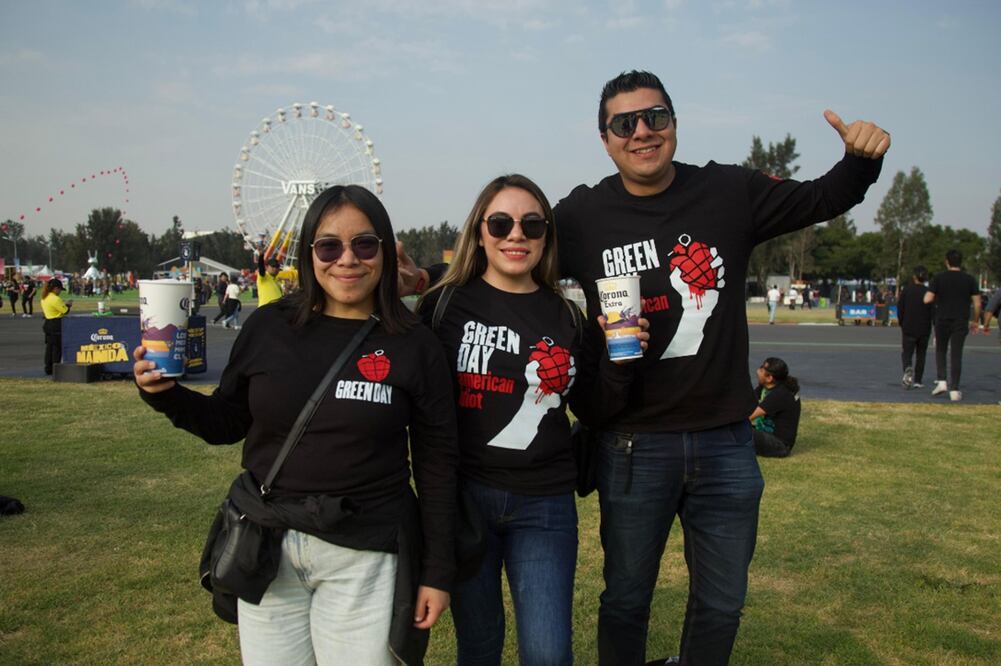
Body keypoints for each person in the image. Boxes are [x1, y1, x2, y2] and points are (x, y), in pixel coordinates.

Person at [402, 70, 889, 666]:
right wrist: (424, 279)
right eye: (623, 123)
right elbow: (508, 248)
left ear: (675, 124)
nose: (641, 132)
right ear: (604, 138)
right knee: (627, 598)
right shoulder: (581, 215)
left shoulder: (728, 192)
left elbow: (822, 196)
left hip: (726, 439)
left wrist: (860, 161)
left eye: (654, 117)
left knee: (721, 603)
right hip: (633, 444)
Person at [133, 185, 459, 665]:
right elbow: (228, 421)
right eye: (329, 246)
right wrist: (164, 396)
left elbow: (437, 464)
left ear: (387, 252)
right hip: (267, 548)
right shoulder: (268, 327)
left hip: (365, 553)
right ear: (310, 255)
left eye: (364, 244)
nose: (346, 259)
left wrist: (437, 570)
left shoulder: (416, 345)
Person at [417, 174, 648, 666]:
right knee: (478, 647)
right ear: (480, 232)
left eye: (532, 224)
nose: (515, 235)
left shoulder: (567, 315)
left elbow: (595, 408)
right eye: (500, 223)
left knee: (547, 654)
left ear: (547, 236)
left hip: (544, 504)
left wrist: (619, 359)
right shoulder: (442, 306)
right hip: (465, 499)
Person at [924, 249, 980, 402]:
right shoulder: (969, 279)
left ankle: (942, 381)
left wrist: (937, 296)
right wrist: (975, 320)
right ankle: (954, 389)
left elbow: (927, 299)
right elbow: (977, 303)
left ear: (946, 262)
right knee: (956, 354)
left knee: (940, 350)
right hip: (960, 320)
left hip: (942, 318)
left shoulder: (939, 278)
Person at [749, 357, 801, 457]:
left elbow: (749, 416)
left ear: (769, 378)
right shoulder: (766, 387)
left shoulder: (780, 394)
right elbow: (748, 402)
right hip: (767, 435)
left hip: (780, 446)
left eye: (761, 369)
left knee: (739, 430)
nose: (757, 371)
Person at [897, 265, 933, 389]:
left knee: (907, 353)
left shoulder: (907, 290)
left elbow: (900, 308)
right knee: (921, 354)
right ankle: (918, 380)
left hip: (909, 326)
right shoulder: (928, 292)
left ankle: (907, 368)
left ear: (914, 277)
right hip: (924, 327)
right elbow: (932, 311)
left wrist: (902, 322)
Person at [41, 278, 73, 375]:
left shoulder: (44, 297)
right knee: (57, 348)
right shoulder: (56, 299)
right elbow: (65, 311)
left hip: (47, 322)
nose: (59, 292)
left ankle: (48, 367)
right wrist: (68, 305)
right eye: (59, 290)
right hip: (56, 324)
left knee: (49, 347)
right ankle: (56, 368)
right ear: (55, 288)